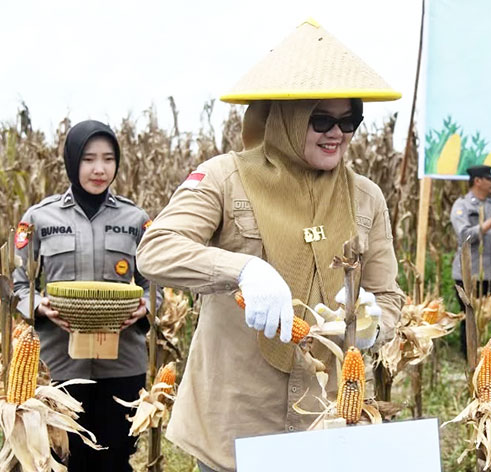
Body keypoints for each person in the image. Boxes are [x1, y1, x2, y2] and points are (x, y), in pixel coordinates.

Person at [136, 21, 404, 472]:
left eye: (349, 120)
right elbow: (156, 248)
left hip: (330, 419)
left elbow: (389, 296)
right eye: (321, 120)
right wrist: (242, 269)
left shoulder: (366, 197)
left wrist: (375, 325)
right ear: (286, 117)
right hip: (239, 421)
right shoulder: (224, 177)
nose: (336, 133)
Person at [12, 120, 161, 471]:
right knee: (64, 459)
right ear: (72, 161)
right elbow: (18, 285)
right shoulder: (39, 218)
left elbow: (156, 284)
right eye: (89, 159)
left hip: (123, 365)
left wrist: (146, 308)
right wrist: (38, 305)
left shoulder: (136, 219)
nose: (99, 169)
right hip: (59, 366)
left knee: (115, 458)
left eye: (108, 159)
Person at [451, 164, 491, 353]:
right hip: (470, 274)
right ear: (477, 181)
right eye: (489, 179)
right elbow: (464, 237)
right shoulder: (462, 206)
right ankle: (470, 362)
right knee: (470, 320)